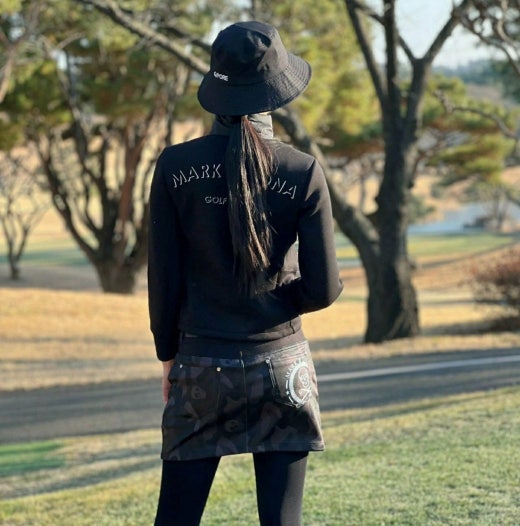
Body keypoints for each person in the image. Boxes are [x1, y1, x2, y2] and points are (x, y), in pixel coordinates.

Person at [148, 20, 343, 526]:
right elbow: (324, 288)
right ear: (276, 89)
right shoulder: (303, 171)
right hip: (283, 366)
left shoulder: (174, 167)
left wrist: (168, 356)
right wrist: (275, 301)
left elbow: (163, 279)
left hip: (199, 368)